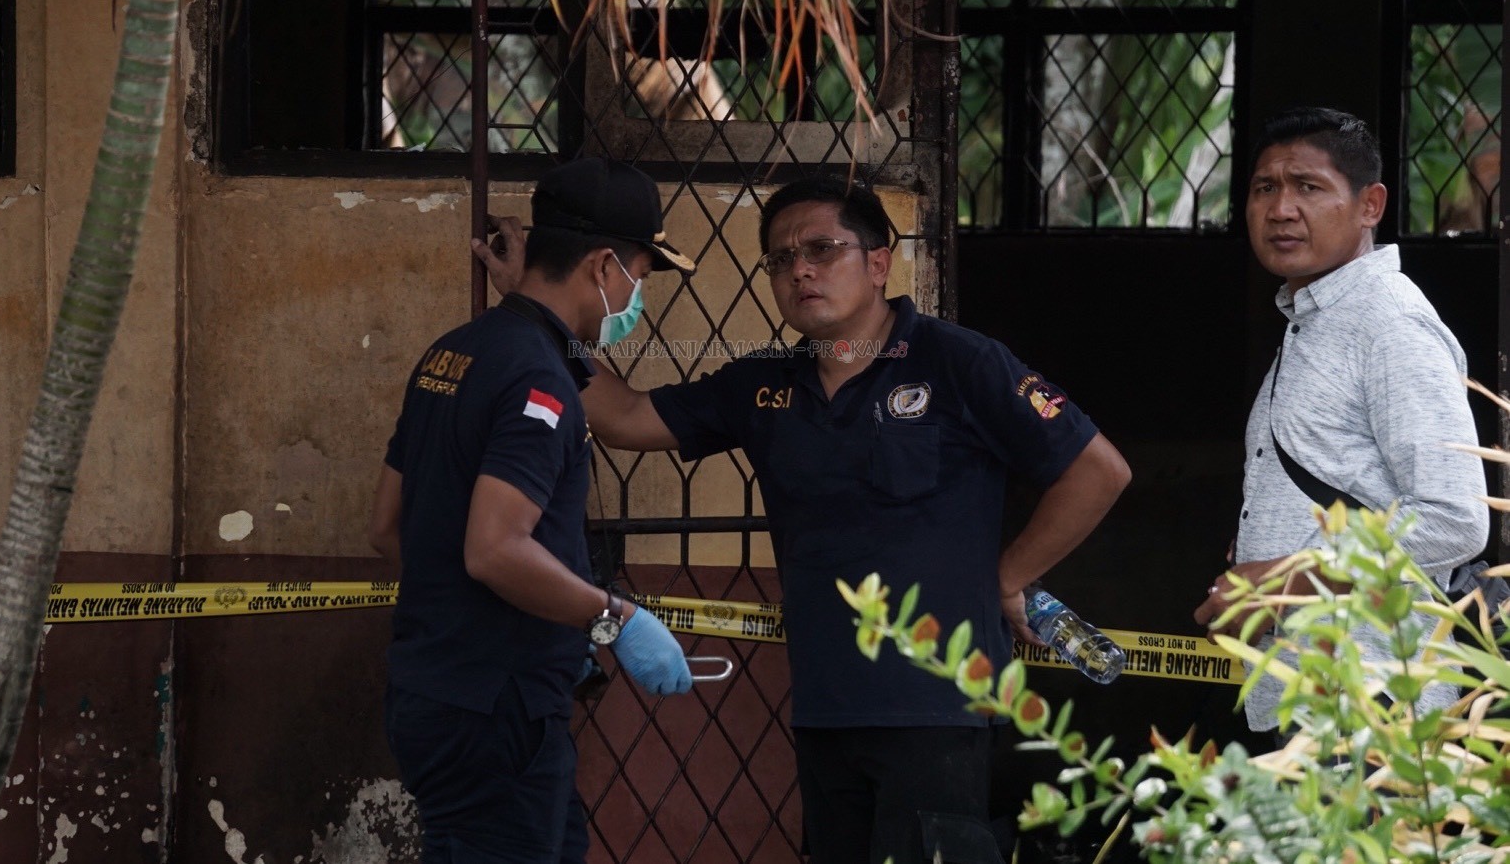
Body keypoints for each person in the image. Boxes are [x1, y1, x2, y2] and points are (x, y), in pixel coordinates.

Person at [476, 176, 1131, 864]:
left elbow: (1097, 471)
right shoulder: (764, 385)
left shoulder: (959, 362)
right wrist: (536, 312)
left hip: (937, 708)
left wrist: (1007, 578)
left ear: (879, 262)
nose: (801, 271)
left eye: (822, 249)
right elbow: (623, 415)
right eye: (781, 260)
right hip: (824, 708)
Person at [369, 157, 698, 864]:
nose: (638, 294)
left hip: (438, 691)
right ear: (607, 266)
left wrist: (483, 617)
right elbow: (494, 549)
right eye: (640, 274)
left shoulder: (454, 352)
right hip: (497, 709)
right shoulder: (537, 378)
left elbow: (386, 529)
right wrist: (613, 617)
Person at [1193, 107, 1490, 739]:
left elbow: (1453, 518)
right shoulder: (1314, 317)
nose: (1280, 210)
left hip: (1376, 701)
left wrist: (1276, 581)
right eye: (1264, 188)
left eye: (1308, 187)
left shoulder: (1389, 325)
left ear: (1369, 205)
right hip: (1311, 695)